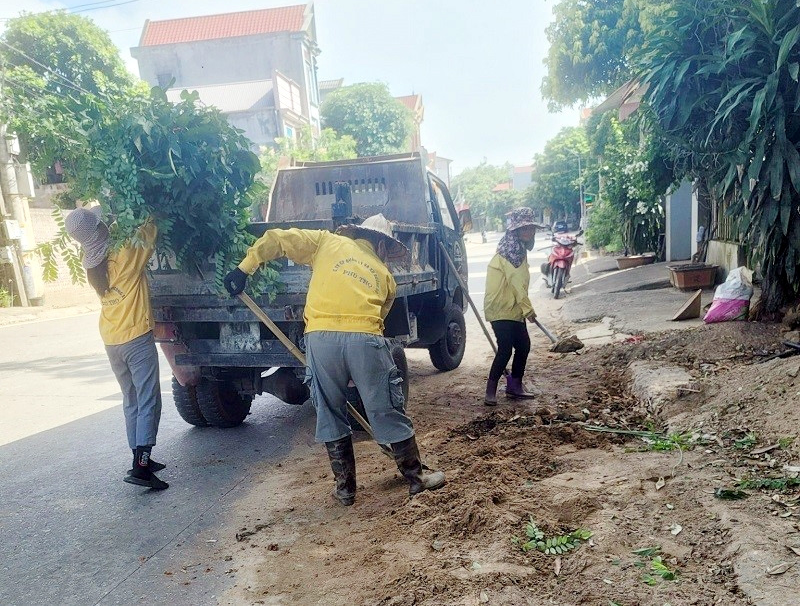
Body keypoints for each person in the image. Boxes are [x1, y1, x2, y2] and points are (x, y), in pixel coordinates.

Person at [223, 214, 445, 506]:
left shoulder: (326, 242)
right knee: (386, 408)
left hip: (320, 338)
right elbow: (380, 322)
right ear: (382, 246)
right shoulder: (385, 276)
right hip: (365, 338)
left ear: (355, 235)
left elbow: (277, 238)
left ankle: (345, 490)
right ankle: (416, 479)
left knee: (329, 411)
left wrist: (244, 268)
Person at [65, 207, 168, 490]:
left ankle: (139, 457)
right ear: (100, 229)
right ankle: (142, 468)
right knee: (149, 400)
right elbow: (150, 229)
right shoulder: (123, 255)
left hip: (112, 340)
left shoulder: (92, 267)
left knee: (132, 400)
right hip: (135, 336)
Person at [483, 207, 543, 406]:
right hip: (501, 308)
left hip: (513, 308)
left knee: (523, 346)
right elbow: (517, 285)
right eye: (525, 229)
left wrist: (523, 309)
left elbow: (519, 287)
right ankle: (490, 391)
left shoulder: (517, 248)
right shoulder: (512, 252)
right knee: (505, 349)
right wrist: (529, 310)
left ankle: (514, 385)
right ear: (516, 231)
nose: (530, 232)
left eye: (531, 228)